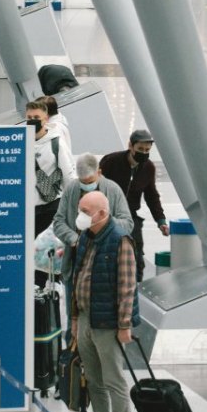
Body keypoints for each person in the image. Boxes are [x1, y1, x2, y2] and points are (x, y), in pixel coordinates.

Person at [68, 190, 138, 412]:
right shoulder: (86, 238)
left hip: (109, 322)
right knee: (94, 377)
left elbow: (127, 287)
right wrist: (75, 319)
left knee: (113, 377)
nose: (81, 216)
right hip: (86, 317)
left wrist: (124, 325)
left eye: (85, 212)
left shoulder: (120, 241)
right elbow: (77, 278)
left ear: (102, 213)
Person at [51, 154, 133, 282]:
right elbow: (58, 222)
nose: (86, 186)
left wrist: (104, 220)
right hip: (75, 264)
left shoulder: (113, 190)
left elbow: (128, 224)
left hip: (105, 261)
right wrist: (74, 239)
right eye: (82, 182)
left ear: (99, 172)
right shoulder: (71, 189)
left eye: (89, 182)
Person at [100, 129, 168, 282]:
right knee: (109, 255)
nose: (144, 153)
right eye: (140, 149)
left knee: (137, 257)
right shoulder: (111, 161)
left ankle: (135, 288)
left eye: (147, 150)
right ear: (130, 146)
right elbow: (96, 185)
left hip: (131, 216)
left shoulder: (148, 167)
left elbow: (151, 195)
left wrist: (160, 220)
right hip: (107, 215)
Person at [28, 99, 75, 237]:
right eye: (29, 117)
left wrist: (71, 206)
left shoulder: (56, 143)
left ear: (45, 119)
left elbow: (68, 174)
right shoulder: (21, 141)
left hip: (50, 205)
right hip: (28, 207)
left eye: (36, 117)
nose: (32, 120)